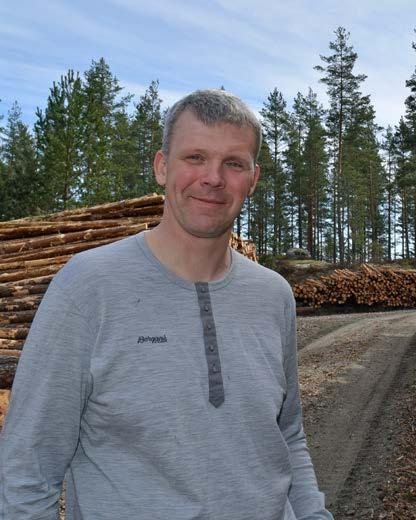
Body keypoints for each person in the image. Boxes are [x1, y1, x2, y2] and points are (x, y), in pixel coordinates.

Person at [0, 89, 333, 519]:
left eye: (233, 163)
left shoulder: (273, 295)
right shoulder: (89, 287)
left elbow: (287, 435)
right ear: (161, 167)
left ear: (253, 178)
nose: (213, 177)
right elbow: (29, 468)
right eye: (195, 157)